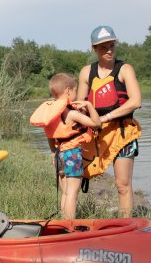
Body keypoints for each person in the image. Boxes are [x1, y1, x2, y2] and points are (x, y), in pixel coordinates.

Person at [77, 25, 142, 218]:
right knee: (76, 176)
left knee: (122, 184)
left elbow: (136, 101)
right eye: (104, 47)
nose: (109, 50)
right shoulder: (86, 72)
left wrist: (105, 117)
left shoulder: (124, 69)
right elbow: (80, 105)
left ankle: (126, 225)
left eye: (112, 45)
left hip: (123, 134)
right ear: (94, 49)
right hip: (97, 135)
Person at [30, 73, 101, 219]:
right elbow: (96, 123)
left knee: (65, 192)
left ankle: (63, 221)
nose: (76, 94)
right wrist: (89, 105)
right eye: (75, 91)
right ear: (68, 91)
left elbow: (51, 137)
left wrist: (52, 154)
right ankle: (69, 224)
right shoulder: (71, 114)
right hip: (72, 154)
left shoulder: (51, 113)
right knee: (72, 193)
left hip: (58, 155)